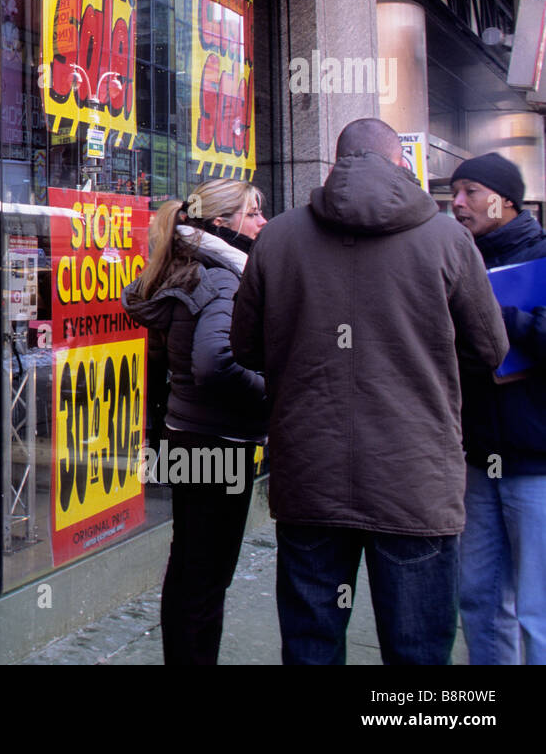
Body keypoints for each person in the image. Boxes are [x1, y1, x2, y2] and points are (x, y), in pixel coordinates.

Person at [231, 118, 508, 664]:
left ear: (336, 165)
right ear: (401, 164)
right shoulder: (448, 239)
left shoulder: (280, 237)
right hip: (415, 479)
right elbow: (490, 351)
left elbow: (246, 348)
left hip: (311, 474)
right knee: (418, 653)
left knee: (311, 646)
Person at [121, 178, 268, 664]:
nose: (261, 222)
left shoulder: (191, 269)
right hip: (218, 444)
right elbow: (213, 363)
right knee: (207, 576)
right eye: (253, 212)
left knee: (189, 568)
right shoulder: (224, 278)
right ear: (223, 224)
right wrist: (274, 392)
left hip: (188, 436)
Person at [450, 152, 546, 664]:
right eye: (455, 193)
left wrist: (498, 313)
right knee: (480, 600)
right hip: (477, 461)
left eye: (469, 191)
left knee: (539, 609)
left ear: (504, 199)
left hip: (537, 466)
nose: (458, 203)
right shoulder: (459, 259)